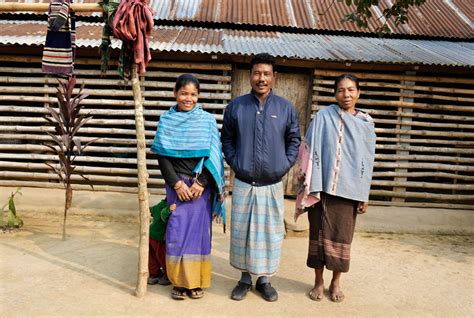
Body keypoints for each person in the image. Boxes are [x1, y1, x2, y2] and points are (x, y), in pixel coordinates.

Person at [221, 53, 301, 302]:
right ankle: (245, 279)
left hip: (272, 183)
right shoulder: (236, 106)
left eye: (266, 74)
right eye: (257, 73)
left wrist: (283, 165)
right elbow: (227, 139)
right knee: (243, 233)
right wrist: (236, 163)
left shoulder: (286, 108)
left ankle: (264, 280)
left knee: (269, 234)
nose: (261, 78)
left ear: (274, 77)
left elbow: (294, 139)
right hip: (244, 182)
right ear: (250, 76)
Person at [295, 74, 376, 303]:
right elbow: (308, 147)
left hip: (350, 191)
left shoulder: (366, 124)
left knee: (342, 237)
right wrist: (307, 183)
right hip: (322, 188)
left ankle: (336, 281)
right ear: (335, 93)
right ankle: (319, 281)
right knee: (318, 235)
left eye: (351, 90)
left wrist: (364, 194)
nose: (346, 94)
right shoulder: (323, 117)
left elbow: (367, 161)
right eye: (341, 90)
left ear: (358, 93)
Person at [150, 74, 226, 300]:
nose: (188, 98)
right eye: (184, 93)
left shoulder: (207, 121)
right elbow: (162, 157)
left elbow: (214, 156)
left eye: (193, 94)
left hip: (201, 189)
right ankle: (179, 282)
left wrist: (202, 182)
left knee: (199, 234)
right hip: (177, 186)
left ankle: (195, 282)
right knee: (177, 232)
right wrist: (177, 184)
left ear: (198, 96)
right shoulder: (166, 121)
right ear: (175, 93)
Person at [147, 199, 175, 286]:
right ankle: (167, 276)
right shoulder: (169, 206)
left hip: (150, 234)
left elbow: (150, 210)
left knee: (151, 257)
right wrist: (169, 209)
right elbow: (164, 214)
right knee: (163, 257)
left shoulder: (158, 205)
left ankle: (153, 275)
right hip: (159, 237)